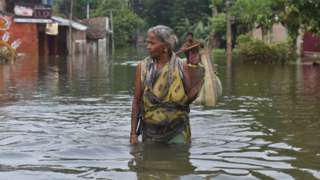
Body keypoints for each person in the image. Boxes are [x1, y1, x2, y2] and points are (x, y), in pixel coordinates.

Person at [130, 25, 204, 145]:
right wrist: (133, 134)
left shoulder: (181, 66)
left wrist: (200, 80)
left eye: (152, 43)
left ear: (165, 47)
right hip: (150, 131)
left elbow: (188, 99)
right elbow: (137, 101)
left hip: (178, 130)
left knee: (179, 161)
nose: (148, 46)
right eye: (147, 42)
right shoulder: (142, 68)